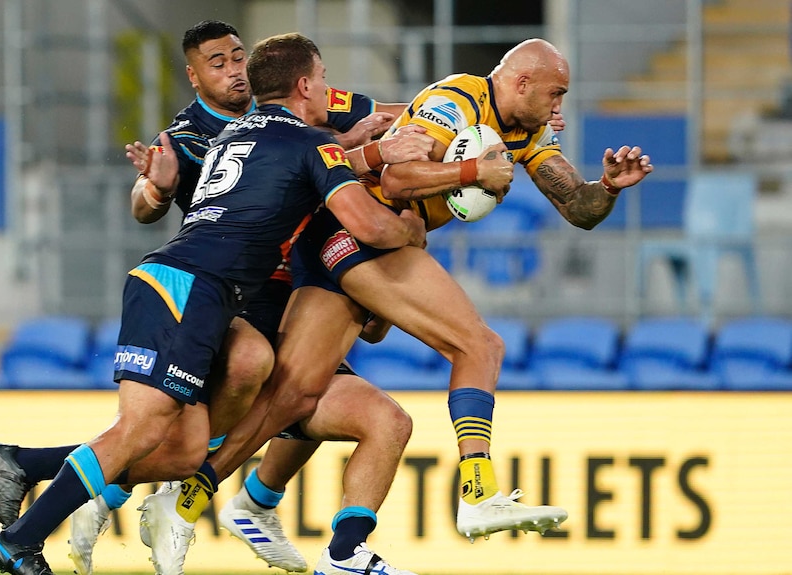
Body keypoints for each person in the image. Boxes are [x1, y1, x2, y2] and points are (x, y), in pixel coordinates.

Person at [163, 36, 652, 558]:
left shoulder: (526, 133)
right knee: (479, 347)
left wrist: (610, 186)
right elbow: (395, 177)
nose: (560, 108)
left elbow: (577, 208)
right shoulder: (458, 101)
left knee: (294, 395)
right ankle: (478, 494)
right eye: (555, 94)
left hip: (334, 240)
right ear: (521, 82)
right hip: (361, 230)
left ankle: (189, 499)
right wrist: (472, 172)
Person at [0, 20, 431, 575]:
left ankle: (27, 465)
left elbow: (336, 146)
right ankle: (22, 539)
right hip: (185, 284)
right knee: (143, 429)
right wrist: (418, 205)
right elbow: (362, 213)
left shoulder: (241, 136)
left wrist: (380, 141)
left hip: (215, 294)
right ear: (307, 88)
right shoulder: (237, 137)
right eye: (217, 62)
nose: (232, 68)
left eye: (238, 57)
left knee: (193, 440)